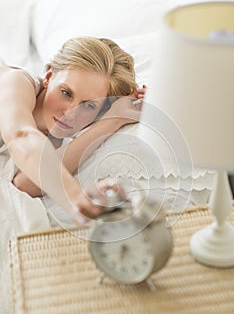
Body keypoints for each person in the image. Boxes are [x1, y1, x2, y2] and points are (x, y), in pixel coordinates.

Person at [0, 36, 145, 223]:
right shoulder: (17, 83)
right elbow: (21, 136)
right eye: (66, 93)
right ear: (49, 75)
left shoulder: (55, 137)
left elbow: (24, 184)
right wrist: (76, 197)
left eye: (89, 106)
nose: (70, 113)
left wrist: (111, 122)